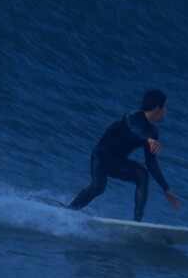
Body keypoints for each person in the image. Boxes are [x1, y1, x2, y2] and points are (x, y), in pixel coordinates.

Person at [68, 88, 182, 221]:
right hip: (101, 156)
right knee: (98, 187)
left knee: (142, 174)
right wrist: (148, 140)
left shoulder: (153, 132)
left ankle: (137, 223)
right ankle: (70, 210)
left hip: (119, 163)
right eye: (166, 108)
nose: (166, 112)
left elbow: (151, 163)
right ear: (158, 109)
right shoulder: (130, 117)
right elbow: (134, 130)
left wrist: (166, 189)